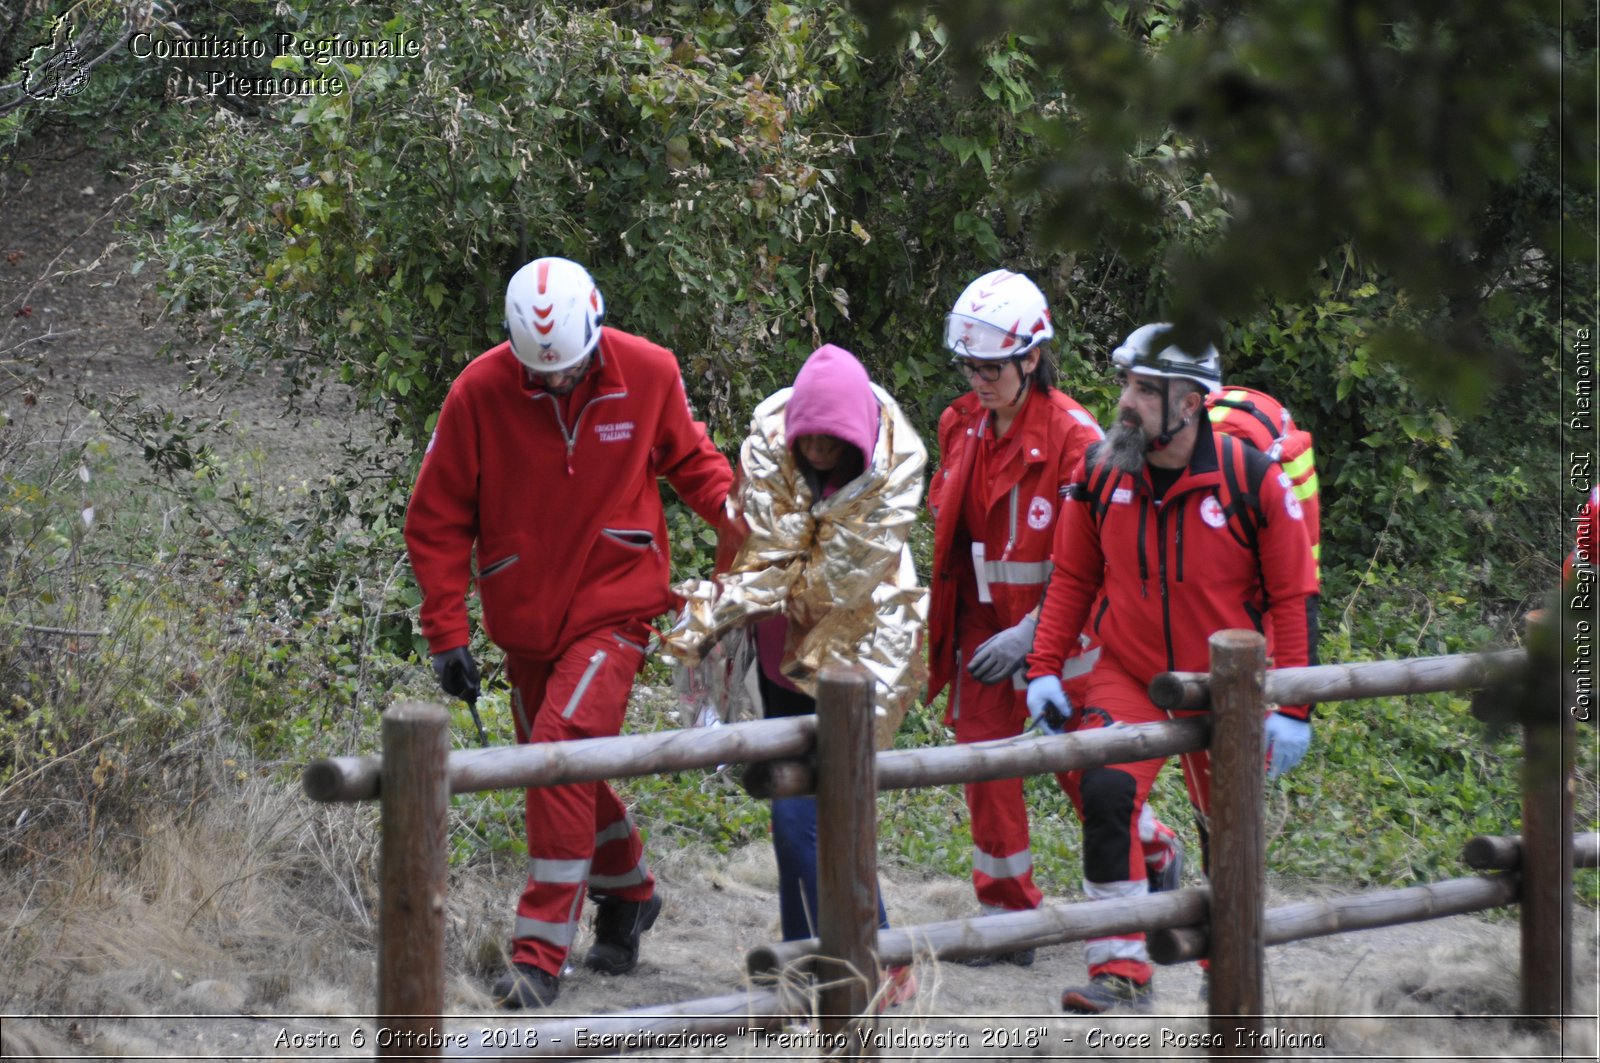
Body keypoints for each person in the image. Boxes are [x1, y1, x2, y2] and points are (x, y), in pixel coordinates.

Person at [403, 256, 734, 1009]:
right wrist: (446, 631)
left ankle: (538, 953)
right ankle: (631, 892)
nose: (554, 382)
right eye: (538, 372)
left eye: (568, 368)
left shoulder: (649, 372)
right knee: (561, 767)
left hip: (617, 609)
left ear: (596, 327)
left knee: (556, 755)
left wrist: (741, 552)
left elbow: (698, 468)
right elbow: (437, 517)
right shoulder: (479, 391)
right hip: (524, 616)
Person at [1024, 322, 1320, 1013]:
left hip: (1231, 686)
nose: (1127, 401)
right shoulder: (1099, 471)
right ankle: (1121, 968)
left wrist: (1296, 706)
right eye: (1126, 382)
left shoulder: (1253, 480)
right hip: (1130, 673)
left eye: (1146, 390)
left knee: (1227, 834)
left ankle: (1228, 968)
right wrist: (1043, 666)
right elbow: (1071, 577)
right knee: (1104, 795)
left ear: (1191, 403)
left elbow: (1294, 595)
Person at [666, 343, 926, 1008]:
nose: (815, 448)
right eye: (805, 435)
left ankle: (877, 955)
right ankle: (803, 955)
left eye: (830, 440)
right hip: (786, 660)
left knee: (810, 817)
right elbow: (761, 550)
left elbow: (815, 586)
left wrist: (724, 602)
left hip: (854, 664)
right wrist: (723, 606)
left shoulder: (885, 486)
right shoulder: (771, 458)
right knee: (800, 818)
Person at [924, 269, 1110, 960]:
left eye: (992, 365)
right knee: (984, 759)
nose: (979, 377)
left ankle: (1153, 861)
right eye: (970, 364)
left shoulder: (1076, 440)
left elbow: (1099, 560)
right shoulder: (959, 423)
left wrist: (1035, 635)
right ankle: (1009, 916)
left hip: (1064, 634)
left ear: (1031, 357)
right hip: (979, 624)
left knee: (1088, 770)